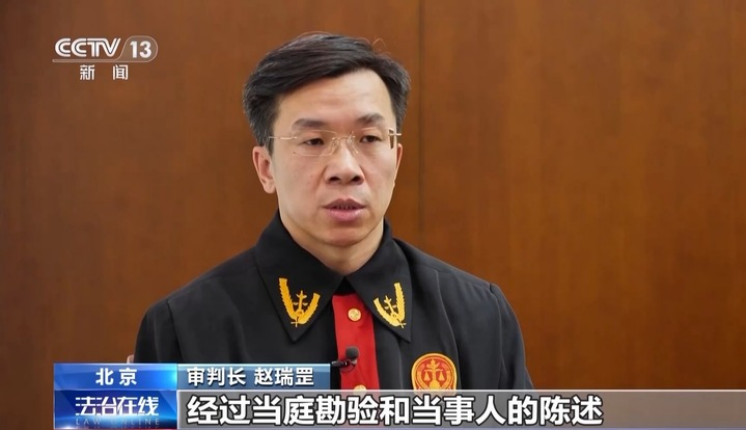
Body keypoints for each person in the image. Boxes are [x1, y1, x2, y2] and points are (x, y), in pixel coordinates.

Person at [133, 32, 533, 390]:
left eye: (369, 138)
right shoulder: (182, 328)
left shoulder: (479, 315)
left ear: (396, 159)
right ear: (266, 167)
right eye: (313, 141)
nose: (346, 168)